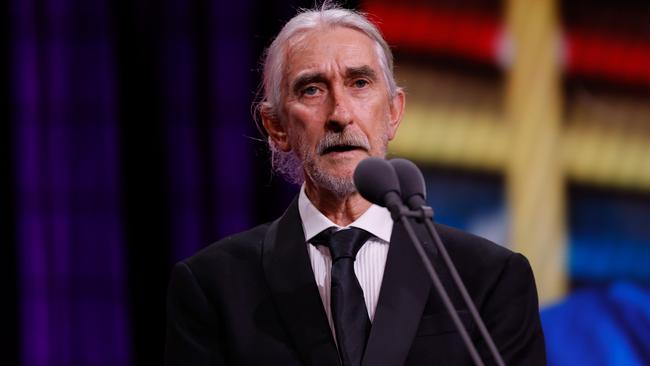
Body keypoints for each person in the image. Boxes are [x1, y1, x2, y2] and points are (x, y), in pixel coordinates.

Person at [165, 3, 546, 366]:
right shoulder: (212, 286)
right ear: (276, 127)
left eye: (359, 83)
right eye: (312, 89)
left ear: (394, 112)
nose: (341, 114)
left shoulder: (488, 278)